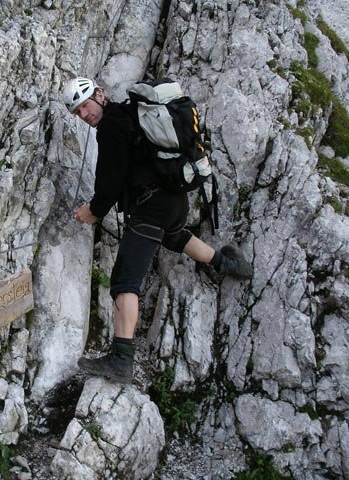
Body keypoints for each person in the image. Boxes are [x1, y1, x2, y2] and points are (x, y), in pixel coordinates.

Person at [62, 77, 252, 384]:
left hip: (150, 206)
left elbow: (109, 183)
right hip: (174, 200)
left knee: (124, 280)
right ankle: (228, 264)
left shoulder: (111, 127)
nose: (84, 115)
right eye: (77, 112)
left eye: (85, 106)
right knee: (175, 236)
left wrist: (93, 211)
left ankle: (121, 359)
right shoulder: (131, 113)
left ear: (99, 94)